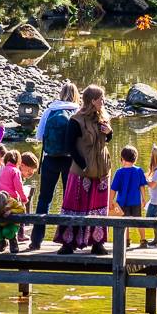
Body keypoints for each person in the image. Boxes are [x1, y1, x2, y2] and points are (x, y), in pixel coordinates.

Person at [56, 86, 112, 256]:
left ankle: (97, 243)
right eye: (100, 99)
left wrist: (110, 132)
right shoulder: (76, 120)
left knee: (99, 209)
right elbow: (69, 146)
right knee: (74, 205)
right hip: (81, 171)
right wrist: (83, 165)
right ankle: (68, 243)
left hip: (101, 171)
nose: (103, 102)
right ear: (92, 100)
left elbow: (107, 139)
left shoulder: (103, 118)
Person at [27, 81, 79, 250]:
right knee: (68, 200)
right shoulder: (76, 111)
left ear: (60, 93)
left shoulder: (50, 110)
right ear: (76, 95)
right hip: (70, 161)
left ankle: (36, 239)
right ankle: (67, 240)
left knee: (44, 199)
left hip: (50, 159)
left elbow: (39, 136)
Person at [109, 146, 147, 249]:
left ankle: (126, 241)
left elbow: (113, 189)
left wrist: (110, 201)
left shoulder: (119, 172)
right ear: (135, 159)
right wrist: (144, 199)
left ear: (122, 159)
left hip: (122, 202)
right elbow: (142, 186)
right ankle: (143, 240)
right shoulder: (139, 170)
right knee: (139, 221)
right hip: (136, 202)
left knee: (124, 222)